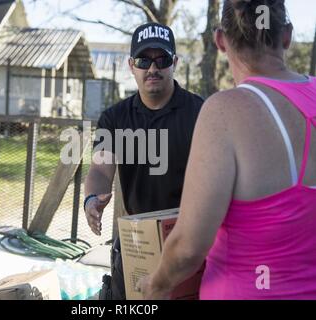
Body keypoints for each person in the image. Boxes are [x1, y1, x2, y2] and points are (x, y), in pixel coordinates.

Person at [139, 0, 316, 300]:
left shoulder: (225, 111)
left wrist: (155, 286)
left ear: (221, 40)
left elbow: (188, 248)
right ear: (286, 35)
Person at [83, 22, 204, 300]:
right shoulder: (114, 118)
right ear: (131, 65)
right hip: (137, 243)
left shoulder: (201, 112)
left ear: (174, 62)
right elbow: (100, 169)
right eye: (143, 60)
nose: (152, 68)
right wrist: (92, 199)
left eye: (161, 59)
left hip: (189, 240)